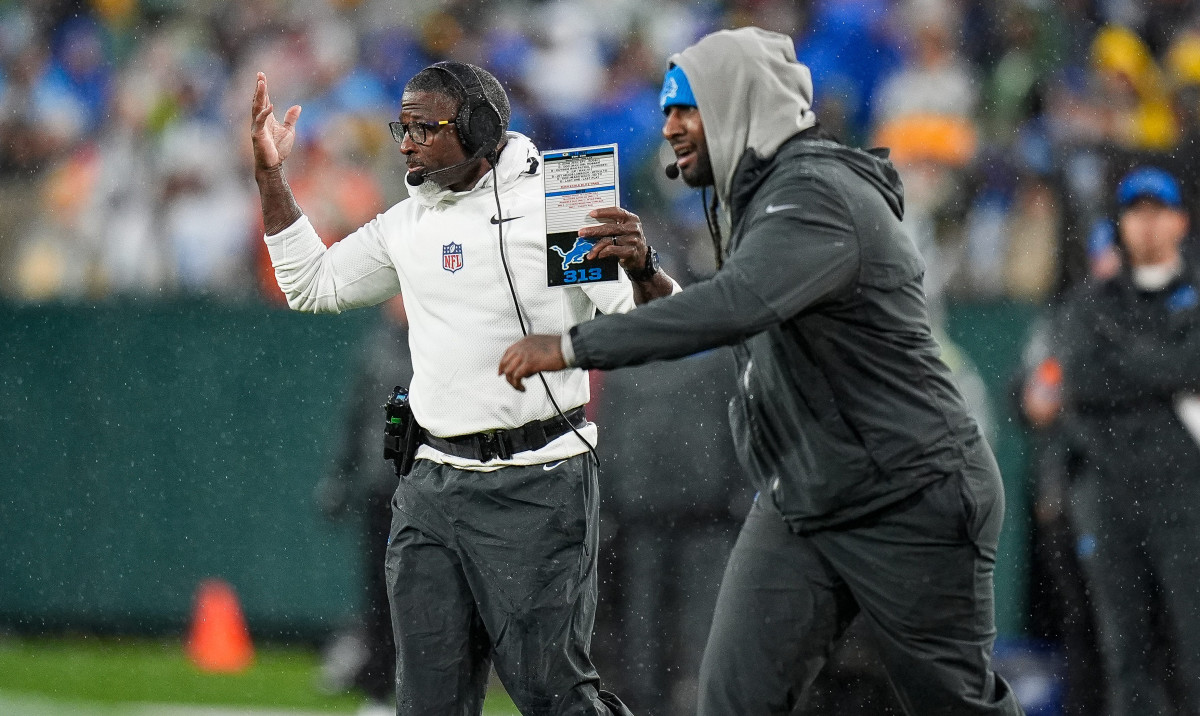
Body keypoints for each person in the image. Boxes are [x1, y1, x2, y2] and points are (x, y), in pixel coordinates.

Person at [498, 27, 1024, 716]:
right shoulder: (763, 192)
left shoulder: (814, 190)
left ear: (738, 103)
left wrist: (570, 345)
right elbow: (739, 319)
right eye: (665, 111)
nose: (671, 127)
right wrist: (649, 273)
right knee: (735, 699)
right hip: (807, 490)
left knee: (951, 705)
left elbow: (735, 307)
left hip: (907, 490)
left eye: (687, 109)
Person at [250, 60, 679, 715]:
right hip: (431, 485)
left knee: (553, 695)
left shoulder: (558, 201)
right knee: (426, 702)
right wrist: (271, 176)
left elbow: (652, 323)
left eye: (425, 127)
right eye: (403, 126)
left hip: (538, 481)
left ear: (478, 130)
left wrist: (645, 268)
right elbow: (311, 285)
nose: (405, 142)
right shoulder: (410, 220)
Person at [1056, 166, 1200, 715]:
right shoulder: (1091, 301)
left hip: (1184, 496)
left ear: (1180, 220)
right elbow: (1080, 382)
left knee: (1193, 647)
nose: (1147, 224)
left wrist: (1130, 366)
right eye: (1135, 212)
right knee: (1123, 653)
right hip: (1110, 492)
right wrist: (1166, 371)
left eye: (1157, 211)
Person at [313, 295, 411, 715]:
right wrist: (339, 476)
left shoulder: (433, 343)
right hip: (380, 490)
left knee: (412, 594)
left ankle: (405, 685)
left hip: (419, 489)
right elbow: (357, 417)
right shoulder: (376, 348)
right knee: (378, 591)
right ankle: (377, 686)